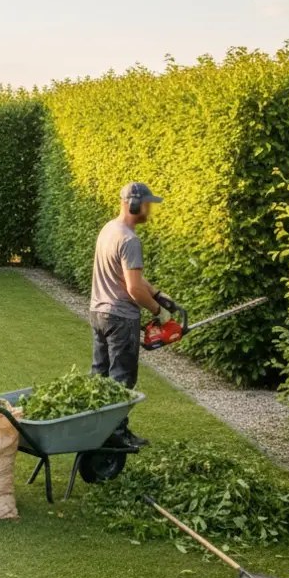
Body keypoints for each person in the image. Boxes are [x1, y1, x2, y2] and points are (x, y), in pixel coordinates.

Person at [88, 182, 179, 448]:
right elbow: (133, 288)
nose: (150, 209)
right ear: (135, 204)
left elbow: (131, 277)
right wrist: (157, 311)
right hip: (121, 317)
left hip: (99, 312)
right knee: (121, 379)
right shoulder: (130, 239)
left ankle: (94, 428)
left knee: (100, 375)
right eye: (148, 204)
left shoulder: (108, 229)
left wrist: (159, 293)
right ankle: (116, 433)